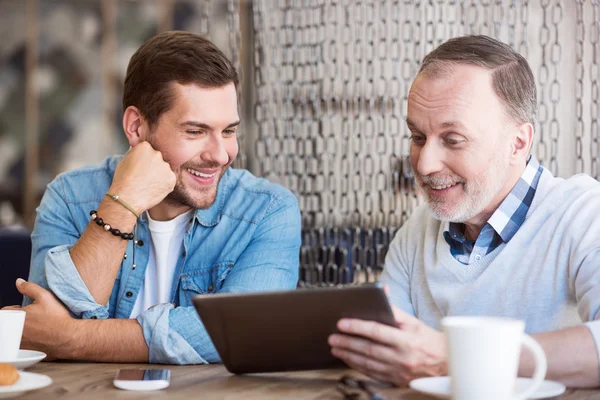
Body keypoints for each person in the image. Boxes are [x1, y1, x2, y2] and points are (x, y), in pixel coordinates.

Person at [5, 31, 301, 364]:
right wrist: (123, 201)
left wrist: (73, 338)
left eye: (229, 131)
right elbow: (44, 328)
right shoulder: (70, 197)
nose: (221, 155)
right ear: (136, 127)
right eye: (195, 131)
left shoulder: (267, 211)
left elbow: (245, 331)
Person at [329, 35, 600, 388]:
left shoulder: (583, 212)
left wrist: (455, 358)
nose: (424, 164)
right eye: (417, 137)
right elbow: (390, 351)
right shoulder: (417, 231)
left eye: (453, 140)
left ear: (517, 143)